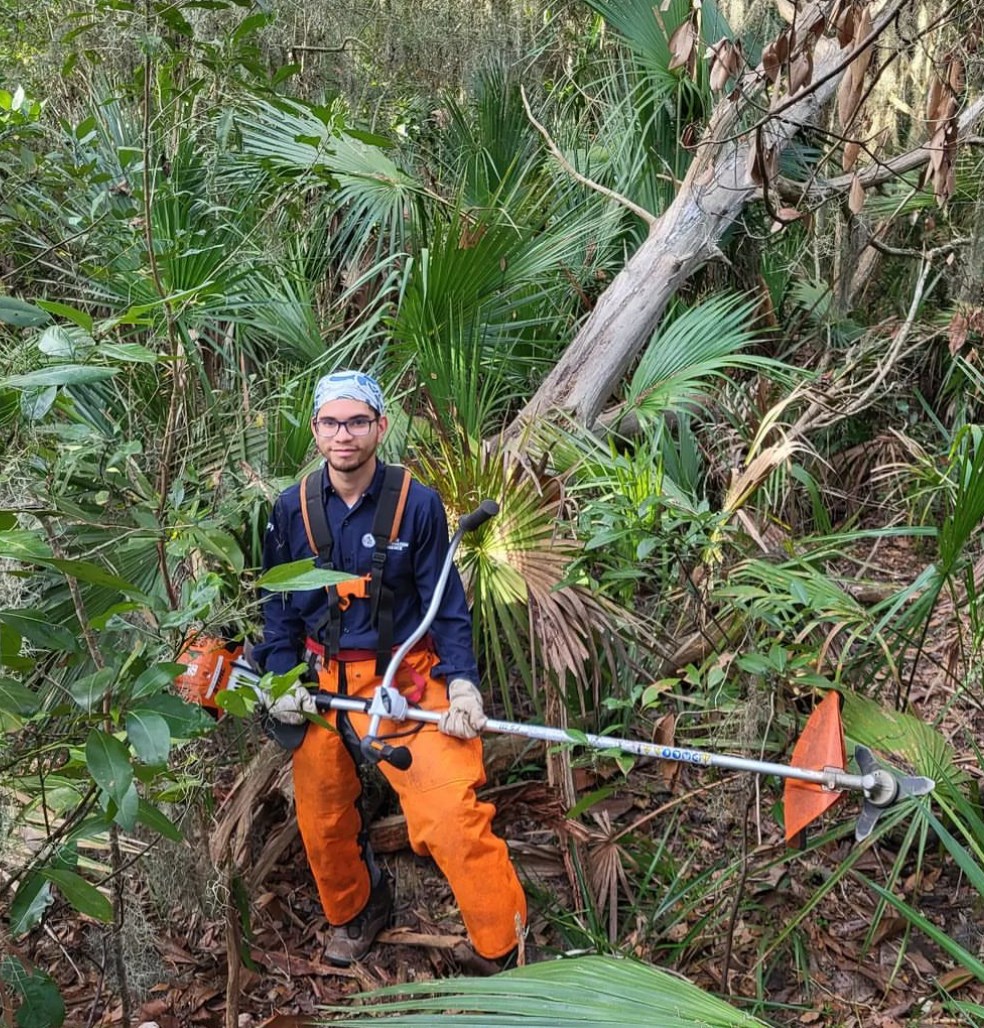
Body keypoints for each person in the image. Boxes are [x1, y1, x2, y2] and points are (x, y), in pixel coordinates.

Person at [252, 369, 527, 968]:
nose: (342, 435)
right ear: (315, 429)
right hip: (323, 686)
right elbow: (277, 608)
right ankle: (357, 910)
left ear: (379, 426)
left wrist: (461, 683)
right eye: (330, 422)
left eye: (355, 421)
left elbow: (445, 604)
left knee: (452, 814)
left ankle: (504, 949)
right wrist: (281, 679)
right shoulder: (290, 509)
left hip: (403, 680)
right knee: (321, 817)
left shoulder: (417, 504)